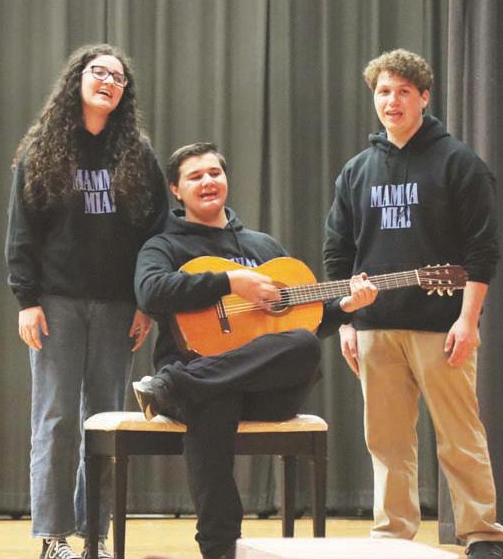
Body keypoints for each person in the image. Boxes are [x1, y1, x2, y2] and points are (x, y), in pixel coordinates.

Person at [132, 142, 378, 559]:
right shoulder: (164, 245)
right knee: (214, 397)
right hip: (203, 375)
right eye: (195, 176)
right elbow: (150, 290)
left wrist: (346, 307)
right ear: (175, 189)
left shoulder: (264, 247)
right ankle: (220, 549)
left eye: (215, 173)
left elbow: (303, 323)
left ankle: (175, 384)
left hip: (261, 391)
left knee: (302, 345)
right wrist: (231, 282)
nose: (208, 182)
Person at [323, 49, 503, 559]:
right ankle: (391, 535)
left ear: (424, 97)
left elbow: (482, 250)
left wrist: (468, 320)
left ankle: (482, 534)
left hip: (441, 327)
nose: (393, 101)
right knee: (386, 442)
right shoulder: (356, 171)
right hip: (375, 328)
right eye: (384, 91)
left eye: (404, 91)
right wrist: (346, 323)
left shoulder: (459, 163)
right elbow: (338, 251)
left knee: (459, 436)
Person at [5, 44, 169, 559]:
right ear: (77, 79)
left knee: (105, 422)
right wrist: (26, 299)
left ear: (125, 94)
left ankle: (95, 533)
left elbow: (157, 234)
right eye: (99, 72)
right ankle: (53, 538)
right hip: (57, 303)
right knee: (55, 420)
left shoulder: (137, 153)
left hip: (118, 306)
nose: (108, 82)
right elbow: (22, 229)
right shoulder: (43, 148)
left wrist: (146, 303)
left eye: (118, 78)